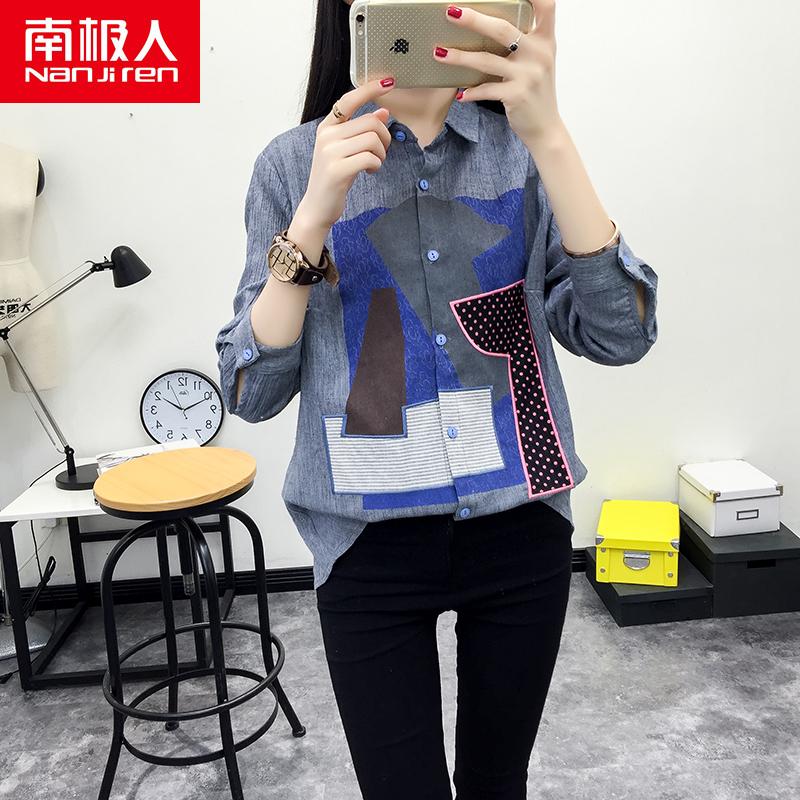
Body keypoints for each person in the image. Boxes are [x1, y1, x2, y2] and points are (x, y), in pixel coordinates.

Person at [214, 1, 659, 797]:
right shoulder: (293, 164)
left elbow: (619, 335)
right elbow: (250, 391)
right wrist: (313, 218)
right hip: (365, 542)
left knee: (497, 782)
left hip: (522, 521)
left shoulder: (524, 149)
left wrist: (552, 137)